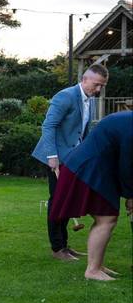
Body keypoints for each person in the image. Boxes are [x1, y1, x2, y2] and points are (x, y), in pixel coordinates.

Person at [31, 64, 109, 262]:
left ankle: (64, 245)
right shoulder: (65, 96)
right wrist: (51, 156)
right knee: (57, 201)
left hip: (71, 159)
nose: (98, 90)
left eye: (102, 86)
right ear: (84, 79)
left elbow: (82, 132)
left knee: (65, 199)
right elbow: (48, 126)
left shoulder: (88, 101)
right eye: (96, 84)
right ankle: (57, 248)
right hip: (55, 157)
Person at [49, 111, 132, 281]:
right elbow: (127, 165)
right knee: (106, 219)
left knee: (105, 218)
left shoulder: (127, 119)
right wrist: (130, 196)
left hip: (88, 168)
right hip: (87, 170)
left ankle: (97, 266)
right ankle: (92, 270)